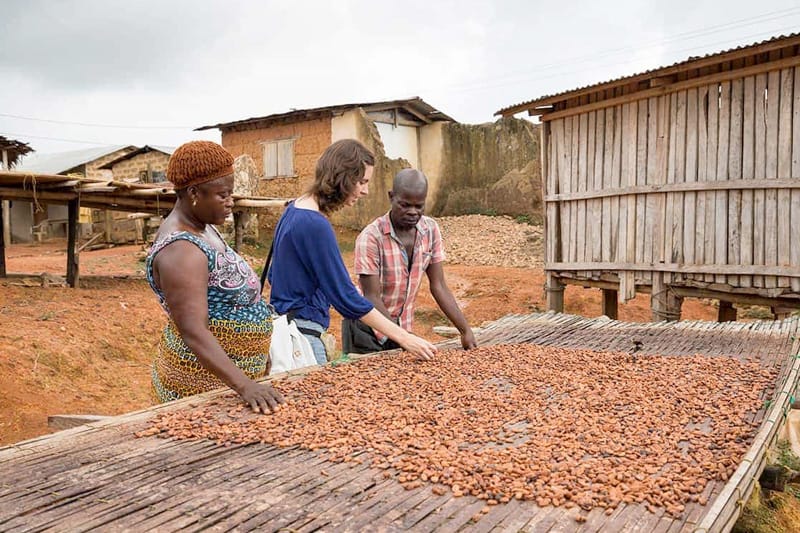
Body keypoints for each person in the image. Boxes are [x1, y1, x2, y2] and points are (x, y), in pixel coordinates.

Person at [267, 139, 437, 364]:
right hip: (302, 336)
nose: (365, 191)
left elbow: (275, 275)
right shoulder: (314, 223)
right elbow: (346, 300)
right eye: (362, 181)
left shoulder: (294, 210)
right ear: (343, 177)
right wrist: (405, 338)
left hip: (286, 328)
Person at [145, 140, 284, 414]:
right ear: (194, 192)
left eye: (231, 193)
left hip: (226, 383)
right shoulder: (181, 250)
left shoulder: (203, 228)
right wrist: (245, 385)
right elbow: (193, 331)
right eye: (223, 195)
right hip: (199, 387)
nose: (230, 202)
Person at [343, 169, 477, 354]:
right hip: (367, 328)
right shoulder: (371, 237)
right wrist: (403, 338)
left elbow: (438, 285)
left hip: (402, 326)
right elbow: (371, 296)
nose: (413, 212)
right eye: (405, 205)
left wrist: (465, 330)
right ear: (391, 197)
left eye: (419, 206)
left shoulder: (430, 230)